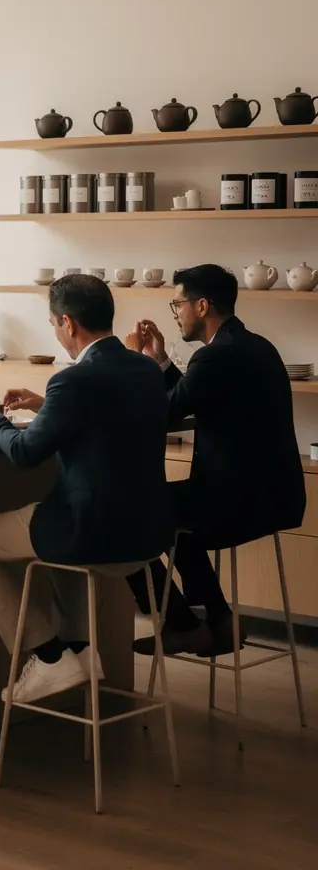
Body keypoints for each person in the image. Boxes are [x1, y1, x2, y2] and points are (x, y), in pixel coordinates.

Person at [0, 274, 173, 704]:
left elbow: (25, 453)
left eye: (53, 323)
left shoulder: (73, 380)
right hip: (146, 535)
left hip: (88, 533)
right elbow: (106, 417)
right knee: (54, 545)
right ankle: (82, 653)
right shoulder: (145, 370)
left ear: (68, 323)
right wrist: (45, 404)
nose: (55, 330)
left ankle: (49, 657)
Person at [124, 264, 306, 656]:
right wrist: (161, 361)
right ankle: (220, 622)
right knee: (174, 519)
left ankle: (183, 623)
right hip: (276, 497)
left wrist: (133, 364)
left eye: (178, 305)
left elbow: (165, 411)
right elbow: (189, 395)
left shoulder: (217, 357)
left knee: (126, 516)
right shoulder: (254, 345)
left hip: (235, 501)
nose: (177, 314)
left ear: (202, 305)